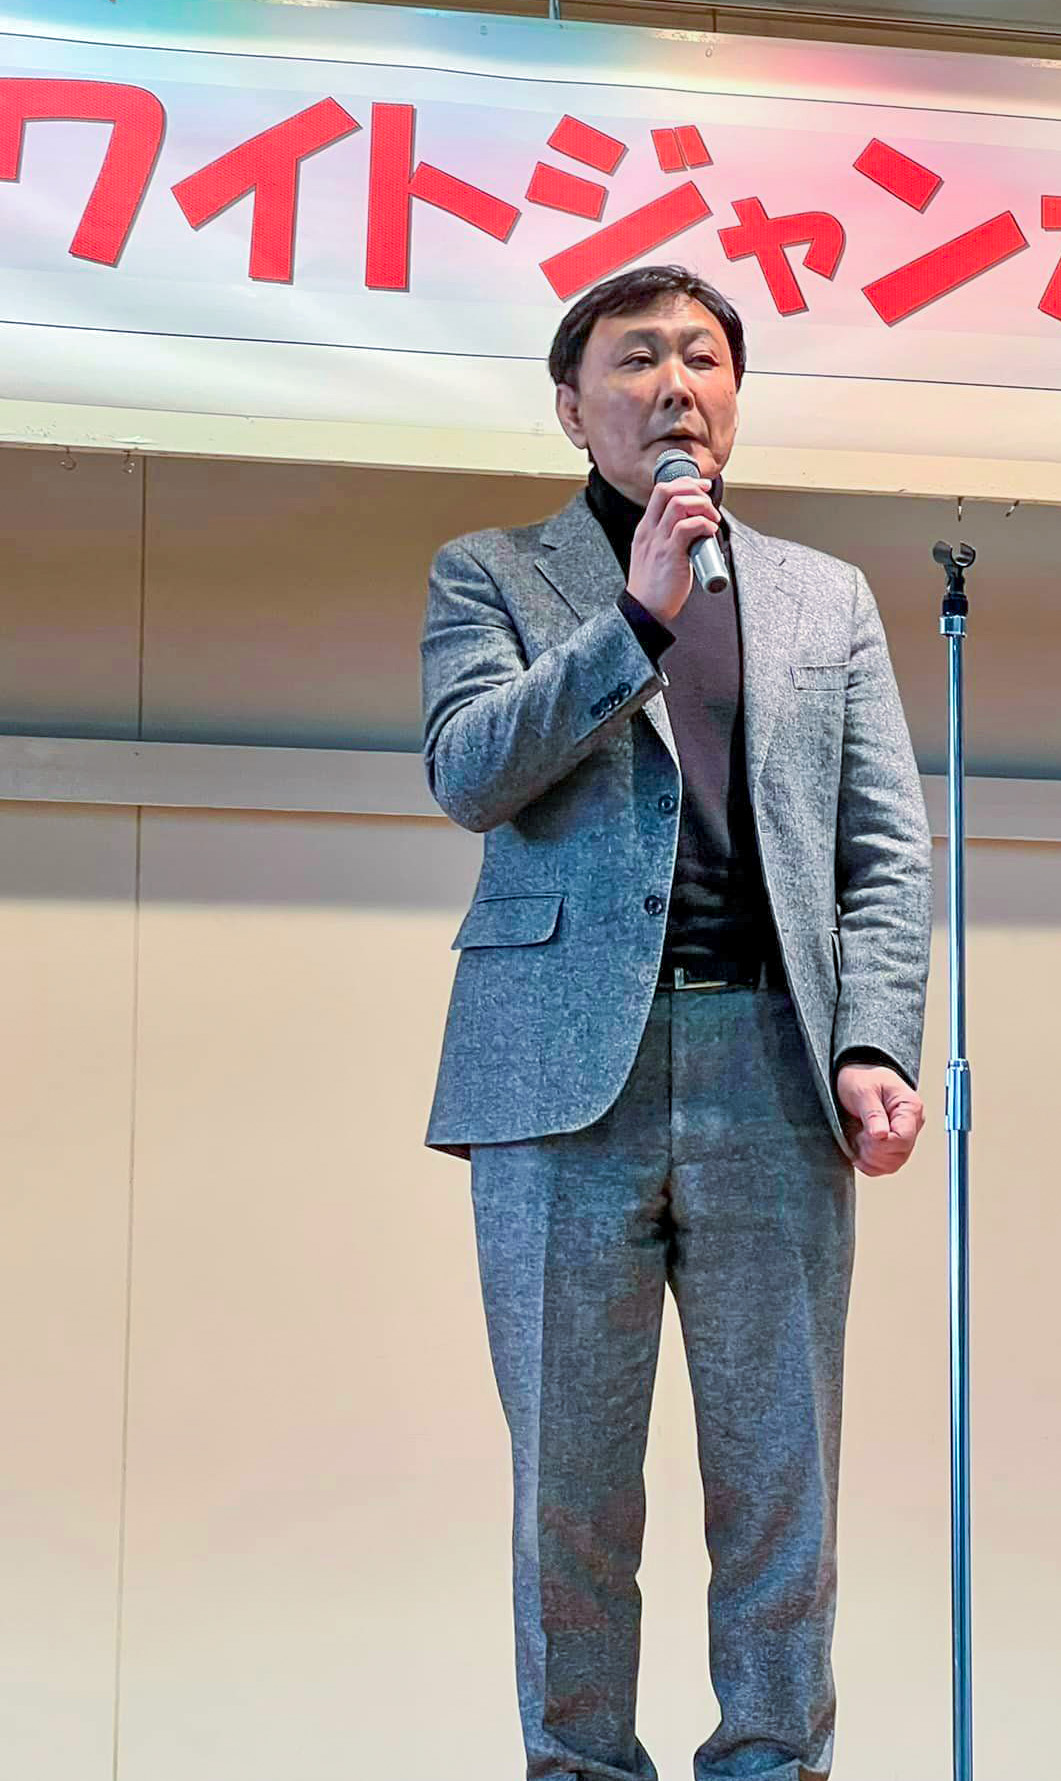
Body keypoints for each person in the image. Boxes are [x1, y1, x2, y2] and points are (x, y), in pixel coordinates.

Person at [420, 264, 931, 1781]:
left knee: (780, 1479)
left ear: (735, 398)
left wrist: (874, 1040)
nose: (675, 386)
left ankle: (775, 1764)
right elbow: (470, 770)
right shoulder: (491, 573)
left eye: (704, 358)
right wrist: (632, 618)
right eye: (636, 359)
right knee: (570, 1487)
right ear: (572, 407)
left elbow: (883, 849)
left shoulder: (824, 596)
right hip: (558, 1078)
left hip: (771, 1062)